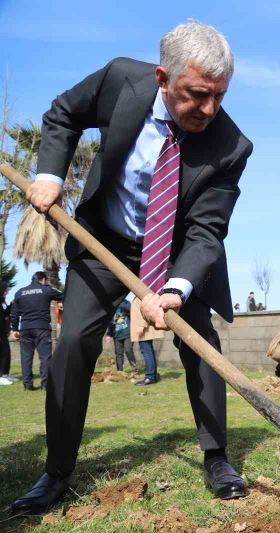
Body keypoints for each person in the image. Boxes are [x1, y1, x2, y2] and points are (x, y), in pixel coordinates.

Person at [11, 21, 253, 515]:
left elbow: (207, 231)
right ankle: (56, 472)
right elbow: (63, 114)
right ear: (163, 78)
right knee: (74, 342)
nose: (208, 109)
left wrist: (178, 289)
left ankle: (217, 457)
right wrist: (51, 174)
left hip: (179, 250)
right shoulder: (122, 80)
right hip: (105, 243)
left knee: (201, 346)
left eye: (219, 96)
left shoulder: (231, 146)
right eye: (196, 95)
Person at [9, 272, 64, 391]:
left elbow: (14, 313)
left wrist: (14, 329)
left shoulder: (19, 292)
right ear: (43, 279)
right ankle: (45, 385)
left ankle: (27, 385)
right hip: (42, 328)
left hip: (25, 328)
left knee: (26, 357)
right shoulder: (46, 290)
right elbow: (63, 295)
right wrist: (56, 296)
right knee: (45, 357)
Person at [130, 296, 164, 386]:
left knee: (146, 351)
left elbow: (146, 309)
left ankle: (150, 377)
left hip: (144, 329)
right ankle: (153, 375)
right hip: (145, 328)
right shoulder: (138, 294)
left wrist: (141, 325)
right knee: (148, 351)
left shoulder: (140, 293)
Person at [106, 300, 137, 371]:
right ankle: (120, 371)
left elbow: (131, 309)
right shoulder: (110, 307)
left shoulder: (125, 303)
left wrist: (119, 303)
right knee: (118, 353)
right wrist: (109, 334)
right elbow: (110, 323)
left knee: (128, 350)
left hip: (127, 333)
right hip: (116, 335)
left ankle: (135, 369)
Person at [0, 281, 15, 385]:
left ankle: (5, 374)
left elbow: (4, 314)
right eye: (6, 290)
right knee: (3, 353)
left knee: (6, 353)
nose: (7, 292)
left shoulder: (2, 301)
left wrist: (11, 305)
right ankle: (1, 376)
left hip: (3, 332)